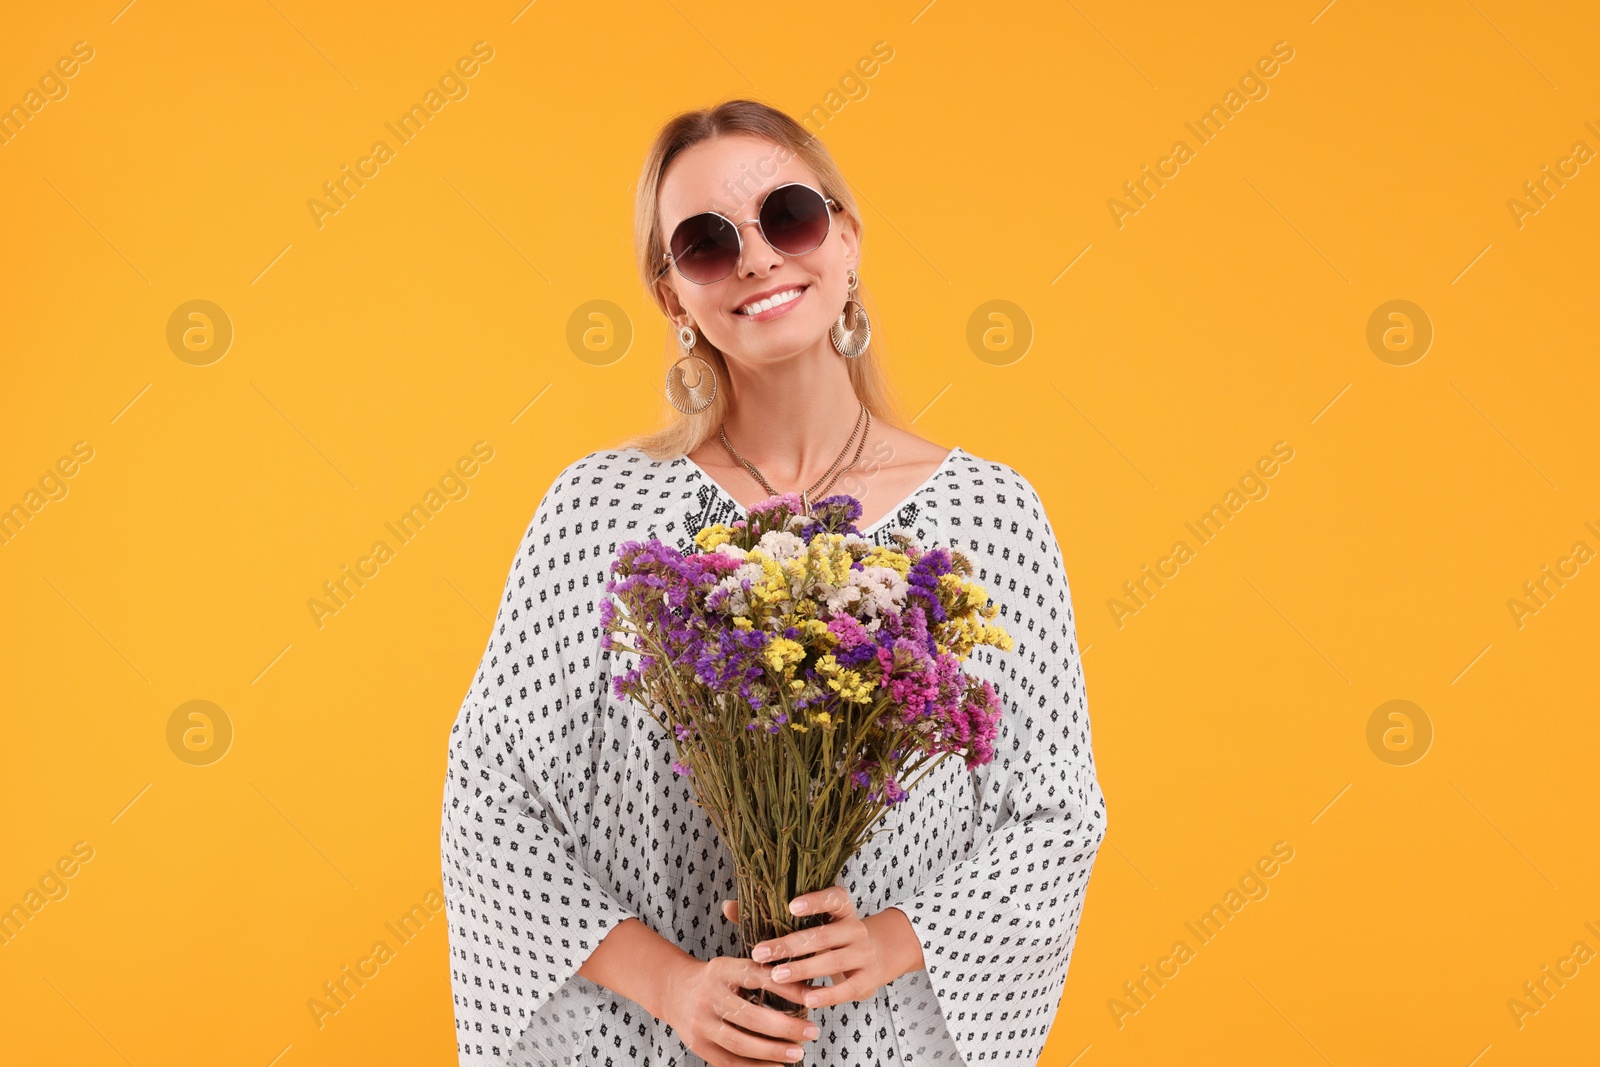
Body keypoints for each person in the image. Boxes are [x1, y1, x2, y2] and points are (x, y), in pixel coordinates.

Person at [440, 99, 1108, 1067]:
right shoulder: (599, 514)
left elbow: (1055, 814)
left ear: (845, 237)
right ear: (674, 299)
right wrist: (674, 985)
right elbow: (490, 798)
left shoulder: (991, 520)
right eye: (706, 243)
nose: (755, 257)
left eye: (786, 215)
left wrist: (886, 941)